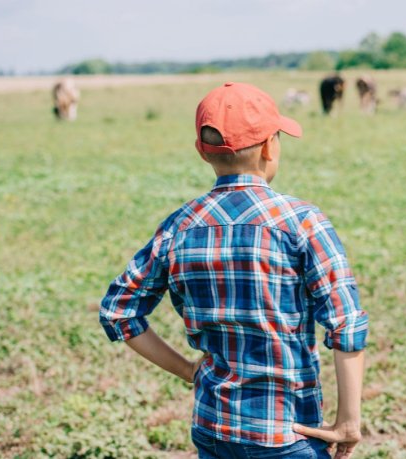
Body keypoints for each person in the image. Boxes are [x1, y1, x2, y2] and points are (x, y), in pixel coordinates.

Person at [98, 82, 369, 459]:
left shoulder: (178, 227)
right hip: (287, 433)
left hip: (213, 429)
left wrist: (190, 371)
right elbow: (347, 325)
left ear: (201, 152)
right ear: (270, 146)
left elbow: (119, 311)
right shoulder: (303, 222)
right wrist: (348, 422)